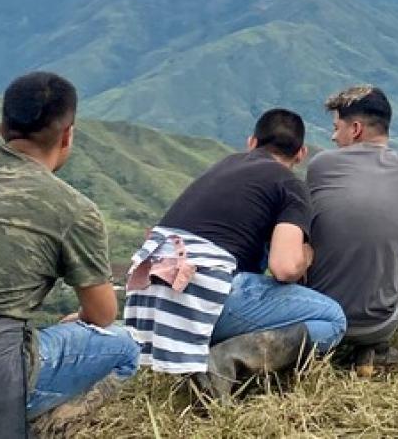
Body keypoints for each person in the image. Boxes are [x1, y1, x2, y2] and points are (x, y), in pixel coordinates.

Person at [0, 72, 139, 434]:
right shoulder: (73, 209)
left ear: (0, 127)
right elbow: (103, 314)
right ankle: (49, 427)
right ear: (68, 135)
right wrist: (80, 317)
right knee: (124, 347)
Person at [128, 108, 345, 396]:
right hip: (201, 296)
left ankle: (209, 353)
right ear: (301, 153)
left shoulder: (223, 166)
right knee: (333, 319)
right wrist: (307, 254)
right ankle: (227, 361)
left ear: (251, 143)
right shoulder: (289, 184)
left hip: (147, 305)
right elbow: (285, 268)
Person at [306, 86, 398, 371]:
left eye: (337, 128)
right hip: (377, 324)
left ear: (355, 129)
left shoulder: (321, 165)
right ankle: (372, 346)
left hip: (317, 318)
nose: (333, 137)